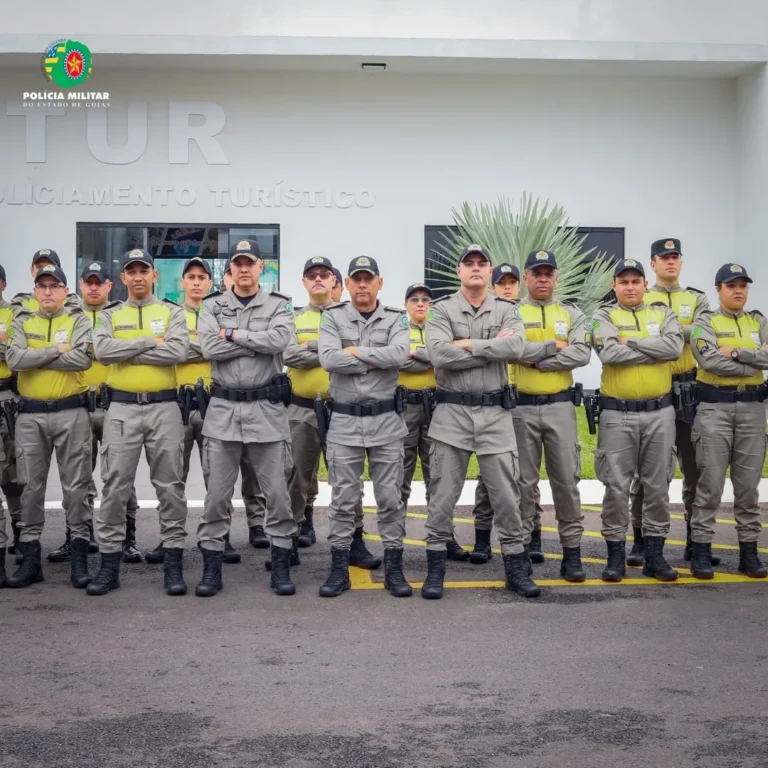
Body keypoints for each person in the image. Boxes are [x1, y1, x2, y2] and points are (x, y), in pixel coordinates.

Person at [423, 245, 540, 599]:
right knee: (442, 495)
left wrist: (465, 345)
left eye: (481, 264)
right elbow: (438, 354)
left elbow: (516, 349)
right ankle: (435, 571)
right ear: (459, 271)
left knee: (507, 496)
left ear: (490, 272)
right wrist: (490, 348)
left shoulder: (508, 309)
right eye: (468, 264)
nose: (475, 268)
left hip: (495, 413)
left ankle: (515, 569)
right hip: (451, 412)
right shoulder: (441, 309)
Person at [195, 239, 297, 597]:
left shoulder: (279, 305)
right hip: (223, 410)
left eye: (249, 263)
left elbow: (279, 341)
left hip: (266, 410)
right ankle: (212, 569)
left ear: (260, 267)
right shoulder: (212, 305)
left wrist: (233, 334)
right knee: (216, 497)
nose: (243, 269)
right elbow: (208, 346)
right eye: (237, 263)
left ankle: (281, 566)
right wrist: (256, 342)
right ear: (230, 269)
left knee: (277, 495)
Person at [89, 249, 189, 596]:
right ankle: (109, 566)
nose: (138, 277)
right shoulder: (110, 314)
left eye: (143, 270)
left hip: (164, 407)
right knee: (115, 486)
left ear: (154, 275)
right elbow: (102, 351)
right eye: (131, 271)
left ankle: (173, 564)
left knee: (170, 487)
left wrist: (127, 350)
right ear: (123, 278)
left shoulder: (172, 312)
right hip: (122, 408)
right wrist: (149, 342)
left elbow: (178, 351)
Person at [317, 255, 411, 598]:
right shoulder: (333, 316)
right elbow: (328, 359)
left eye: (367, 279)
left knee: (390, 499)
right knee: (343, 499)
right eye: (356, 279)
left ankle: (394, 570)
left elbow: (400, 355)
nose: (361, 284)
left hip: (386, 421)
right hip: (344, 421)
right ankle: (339, 569)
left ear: (379, 283)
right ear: (347, 284)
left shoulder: (397, 318)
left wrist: (354, 352)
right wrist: (374, 359)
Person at [591, 258, 683, 582]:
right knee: (616, 486)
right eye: (623, 282)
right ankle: (615, 557)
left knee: (658, 486)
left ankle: (654, 557)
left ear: (645, 284)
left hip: (660, 413)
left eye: (635, 281)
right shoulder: (603, 316)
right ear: (614, 286)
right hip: (618, 414)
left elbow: (674, 347)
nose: (630, 287)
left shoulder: (663, 313)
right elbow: (609, 353)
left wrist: (630, 341)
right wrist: (653, 351)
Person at [284, 257, 379, 567]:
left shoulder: (351, 317)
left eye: (324, 274)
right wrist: (331, 351)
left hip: (343, 411)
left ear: (334, 281)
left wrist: (311, 347)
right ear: (304, 282)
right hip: (301, 410)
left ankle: (354, 541)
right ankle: (289, 541)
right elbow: (289, 355)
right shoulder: (293, 318)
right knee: (295, 477)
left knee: (348, 479)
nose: (318, 279)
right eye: (311, 275)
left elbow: (363, 355)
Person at [627, 239, 716, 567]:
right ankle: (641, 540)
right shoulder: (642, 296)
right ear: (652, 264)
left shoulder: (696, 298)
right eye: (664, 257)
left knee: (696, 469)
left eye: (675, 256)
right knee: (648, 473)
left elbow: (706, 334)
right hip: (657, 388)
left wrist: (665, 334)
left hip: (692, 389)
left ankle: (695, 540)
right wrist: (681, 333)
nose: (670, 262)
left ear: (681, 261)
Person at [4, 265, 93, 589]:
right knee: (29, 486)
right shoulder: (22, 321)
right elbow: (14, 360)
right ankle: (30, 559)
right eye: (42, 286)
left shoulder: (79, 320)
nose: (47, 291)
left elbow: (82, 359)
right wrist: (57, 349)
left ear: (65, 291)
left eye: (54, 286)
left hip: (71, 411)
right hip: (30, 415)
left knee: (76, 486)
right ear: (35, 290)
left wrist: (35, 354)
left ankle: (79, 558)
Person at [508, 250, 590, 581]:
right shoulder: (512, 313)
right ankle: (524, 551)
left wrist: (537, 361)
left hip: (560, 406)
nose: (543, 279)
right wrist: (556, 346)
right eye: (536, 273)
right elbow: (510, 350)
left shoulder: (571, 313)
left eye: (548, 274)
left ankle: (572, 554)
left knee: (567, 481)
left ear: (556, 278)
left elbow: (581, 353)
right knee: (523, 484)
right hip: (521, 407)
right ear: (526, 278)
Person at [689, 263, 768, 579]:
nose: (738, 291)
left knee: (748, 488)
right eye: (731, 285)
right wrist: (754, 360)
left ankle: (749, 554)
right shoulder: (705, 322)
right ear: (718, 289)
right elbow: (709, 360)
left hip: (753, 410)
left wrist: (735, 353)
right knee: (710, 484)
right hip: (715, 410)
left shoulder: (758, 321)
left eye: (742, 285)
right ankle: (701, 552)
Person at [397, 283, 468, 561]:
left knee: (439, 476)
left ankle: (444, 536)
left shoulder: (442, 328)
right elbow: (395, 359)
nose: (421, 304)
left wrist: (420, 354)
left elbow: (451, 358)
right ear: (406, 304)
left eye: (426, 299)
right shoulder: (397, 328)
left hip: (437, 406)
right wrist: (433, 358)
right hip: (404, 407)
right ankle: (394, 540)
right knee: (399, 476)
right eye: (414, 299)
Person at [0, 264, 23, 576]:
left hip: (6, 398)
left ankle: (20, 537)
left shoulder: (15, 314)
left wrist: (7, 344)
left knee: (13, 476)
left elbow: (16, 354)